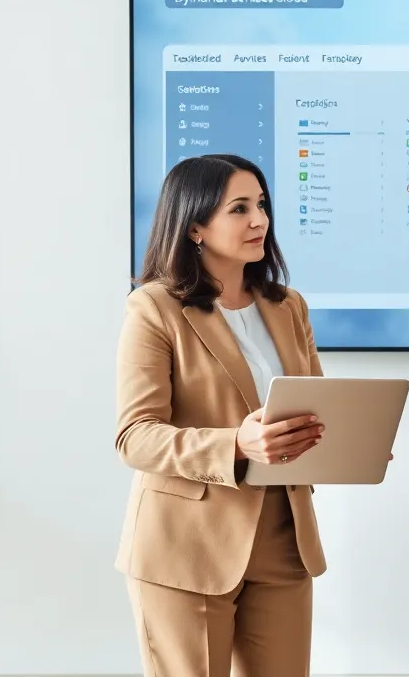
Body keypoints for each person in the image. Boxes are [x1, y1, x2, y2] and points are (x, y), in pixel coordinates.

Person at [114, 154, 332, 677]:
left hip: (284, 538)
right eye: (239, 208)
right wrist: (236, 443)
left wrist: (349, 441)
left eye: (261, 205)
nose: (259, 220)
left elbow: (316, 405)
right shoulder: (154, 307)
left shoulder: (288, 306)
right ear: (194, 227)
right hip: (186, 544)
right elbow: (135, 436)